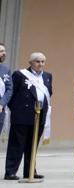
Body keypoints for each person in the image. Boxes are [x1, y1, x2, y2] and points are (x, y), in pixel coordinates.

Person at [4, 53, 51, 181]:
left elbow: (48, 93)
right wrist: (16, 109)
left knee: (33, 144)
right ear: (31, 62)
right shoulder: (20, 75)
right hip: (22, 115)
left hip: (39, 115)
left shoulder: (47, 76)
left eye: (42, 61)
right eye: (37, 61)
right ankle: (10, 171)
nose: (40, 64)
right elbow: (11, 94)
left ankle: (30, 171)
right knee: (17, 144)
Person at [0, 44, 11, 147]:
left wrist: (2, 103)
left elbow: (9, 89)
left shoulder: (5, 69)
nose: (4, 53)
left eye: (4, 51)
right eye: (1, 51)